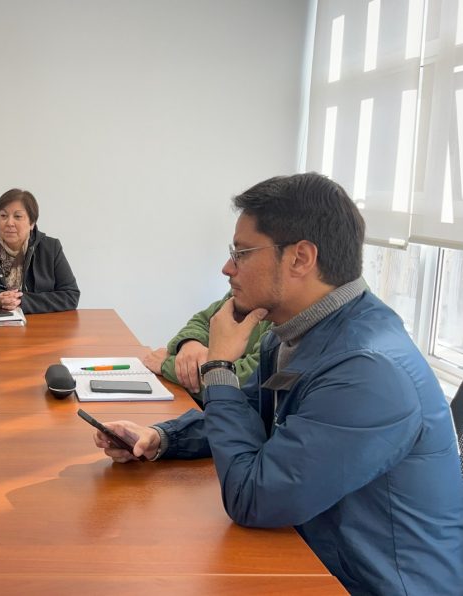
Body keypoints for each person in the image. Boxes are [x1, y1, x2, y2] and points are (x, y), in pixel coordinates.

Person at [91, 173, 463, 594]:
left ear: (300, 258)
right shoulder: (295, 333)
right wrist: (163, 438)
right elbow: (252, 413)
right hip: (317, 554)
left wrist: (219, 367)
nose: (227, 268)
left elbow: (254, 498)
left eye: (241, 253)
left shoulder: (368, 370)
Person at [0, 188, 80, 313]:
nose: (9, 223)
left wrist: (22, 302)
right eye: (3, 215)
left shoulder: (51, 248)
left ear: (32, 223)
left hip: (37, 325)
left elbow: (71, 296)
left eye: (17, 216)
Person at [141, 292, 271, 398]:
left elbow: (243, 384)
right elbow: (203, 321)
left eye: (240, 262)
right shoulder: (242, 292)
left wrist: (169, 364)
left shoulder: (278, 320)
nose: (226, 271)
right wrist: (190, 343)